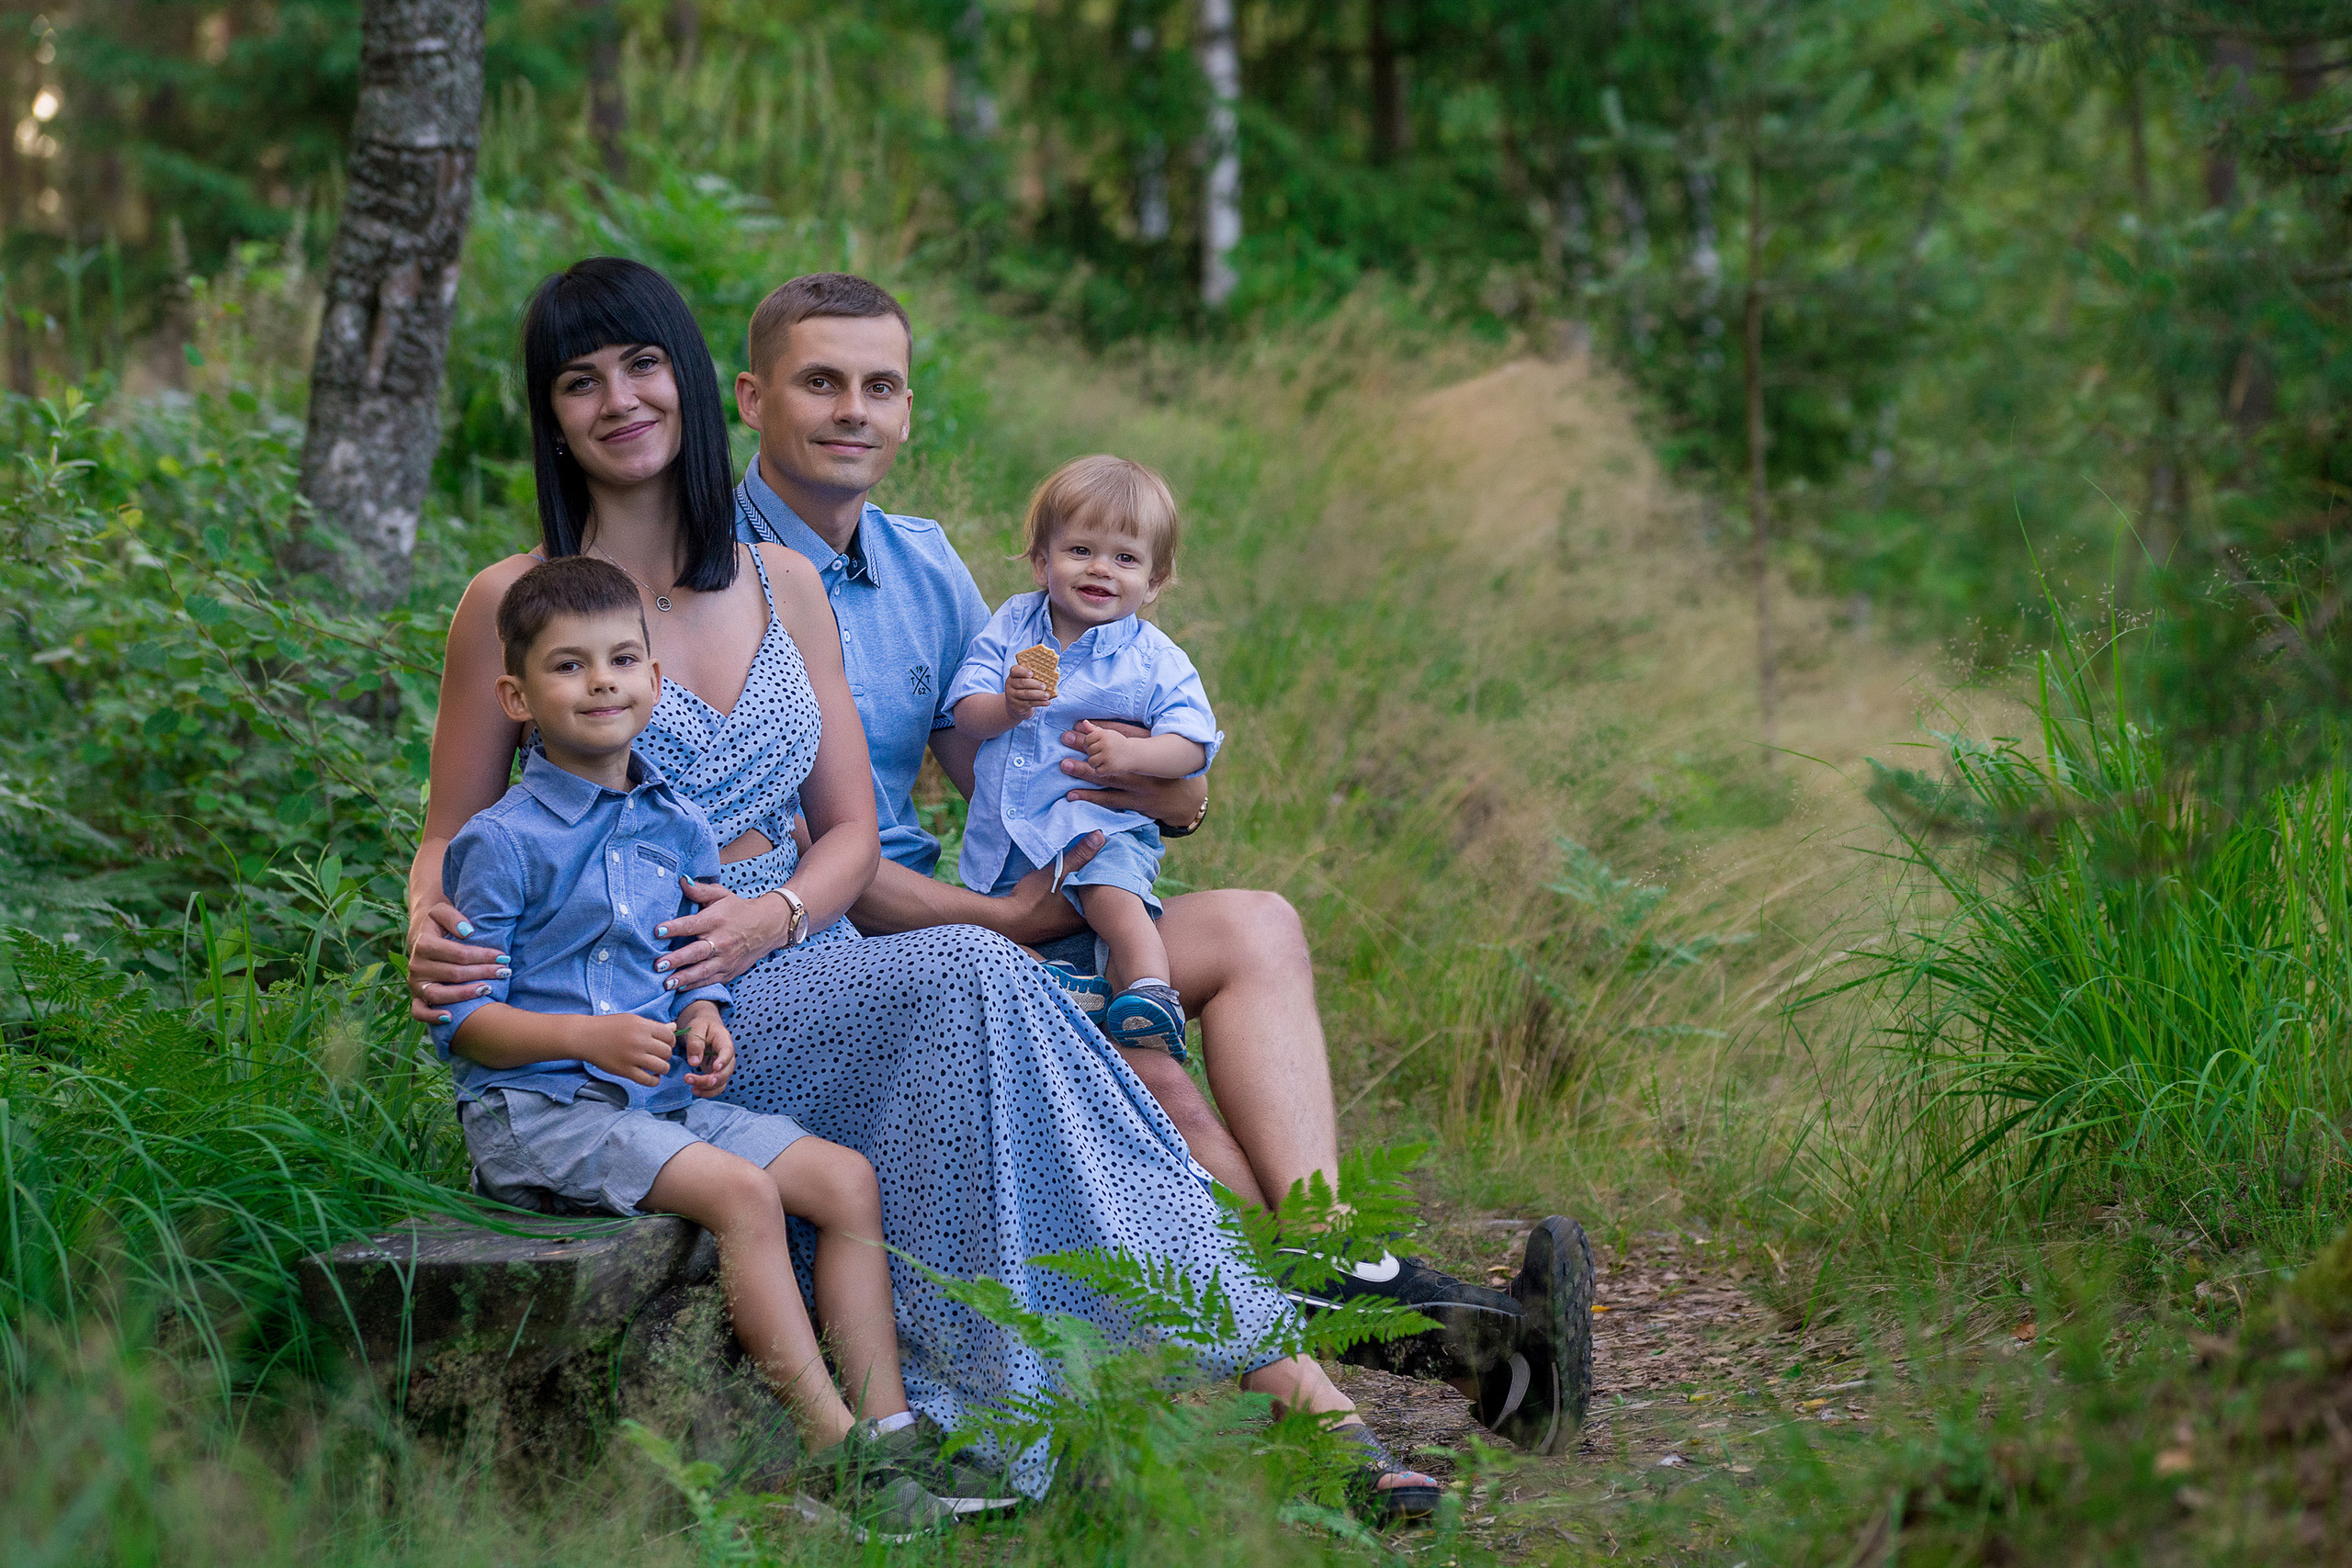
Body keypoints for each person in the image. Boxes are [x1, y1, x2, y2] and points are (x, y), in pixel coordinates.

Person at [401, 256, 1443, 1517]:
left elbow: (845, 830)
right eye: (580, 380)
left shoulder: (782, 584)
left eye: (639, 364)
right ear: (551, 412)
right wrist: (430, 922)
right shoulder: (511, 603)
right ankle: (1293, 1396)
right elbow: (447, 829)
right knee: (987, 978)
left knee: (1002, 1004)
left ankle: (1287, 1403)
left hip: (807, 954)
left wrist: (776, 911)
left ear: (688, 381)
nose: (619, 398)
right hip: (667, 1022)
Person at [717, 271, 1589, 1453]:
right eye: (821, 382)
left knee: (1254, 925)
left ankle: (1334, 1255)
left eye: (879, 386)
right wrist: (1010, 921)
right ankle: (1402, 1336)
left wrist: (1165, 792)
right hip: (863, 948)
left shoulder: (922, 567)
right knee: (1132, 1046)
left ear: (910, 409)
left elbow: (1002, 764)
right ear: (752, 397)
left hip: (991, 898)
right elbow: (814, 855)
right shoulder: (716, 578)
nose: (851, 410)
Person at [432, 553, 1005, 1537]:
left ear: (656, 683)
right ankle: (832, 1457)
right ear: (516, 696)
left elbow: (691, 970)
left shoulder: (673, 822)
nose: (602, 682)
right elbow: (461, 1023)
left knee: (840, 1180)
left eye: (622, 660)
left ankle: (889, 1428)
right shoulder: (503, 841)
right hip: (540, 1115)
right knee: (744, 1194)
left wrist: (701, 1017)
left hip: (652, 1106)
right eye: (569, 668)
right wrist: (586, 1037)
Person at [947, 455, 1215, 1056]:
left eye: (1125, 557)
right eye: (1080, 551)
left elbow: (1194, 743)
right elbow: (966, 710)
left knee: (1112, 897)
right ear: (1043, 561)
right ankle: (1072, 988)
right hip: (1012, 833)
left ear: (1153, 581)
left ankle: (1150, 989)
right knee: (984, 926)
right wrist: (1007, 707)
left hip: (1101, 829)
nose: (1100, 569)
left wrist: (1133, 753)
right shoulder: (1015, 623)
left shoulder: (1153, 657)